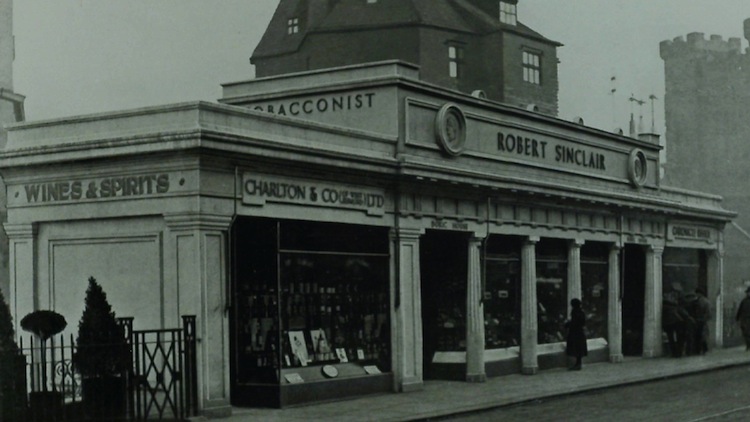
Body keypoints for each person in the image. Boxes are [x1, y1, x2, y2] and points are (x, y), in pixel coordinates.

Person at [565, 298, 587, 370]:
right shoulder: (581, 312)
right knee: (579, 348)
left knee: (576, 347)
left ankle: (577, 364)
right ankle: (578, 363)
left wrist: (567, 324)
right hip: (580, 332)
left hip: (575, 333)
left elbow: (574, 323)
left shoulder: (575, 312)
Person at [691, 288, 711, 355]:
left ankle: (701, 349)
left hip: (700, 320)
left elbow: (707, 312)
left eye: (697, 293)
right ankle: (702, 349)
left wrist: (702, 319)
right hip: (701, 320)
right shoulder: (704, 301)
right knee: (700, 336)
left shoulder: (701, 301)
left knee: (700, 336)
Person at [735, 286, 750, 351]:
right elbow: (740, 310)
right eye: (748, 292)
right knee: (746, 333)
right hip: (745, 319)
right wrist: (737, 317)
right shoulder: (744, 301)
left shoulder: (744, 301)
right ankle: (748, 345)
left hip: (747, 319)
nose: (748, 294)